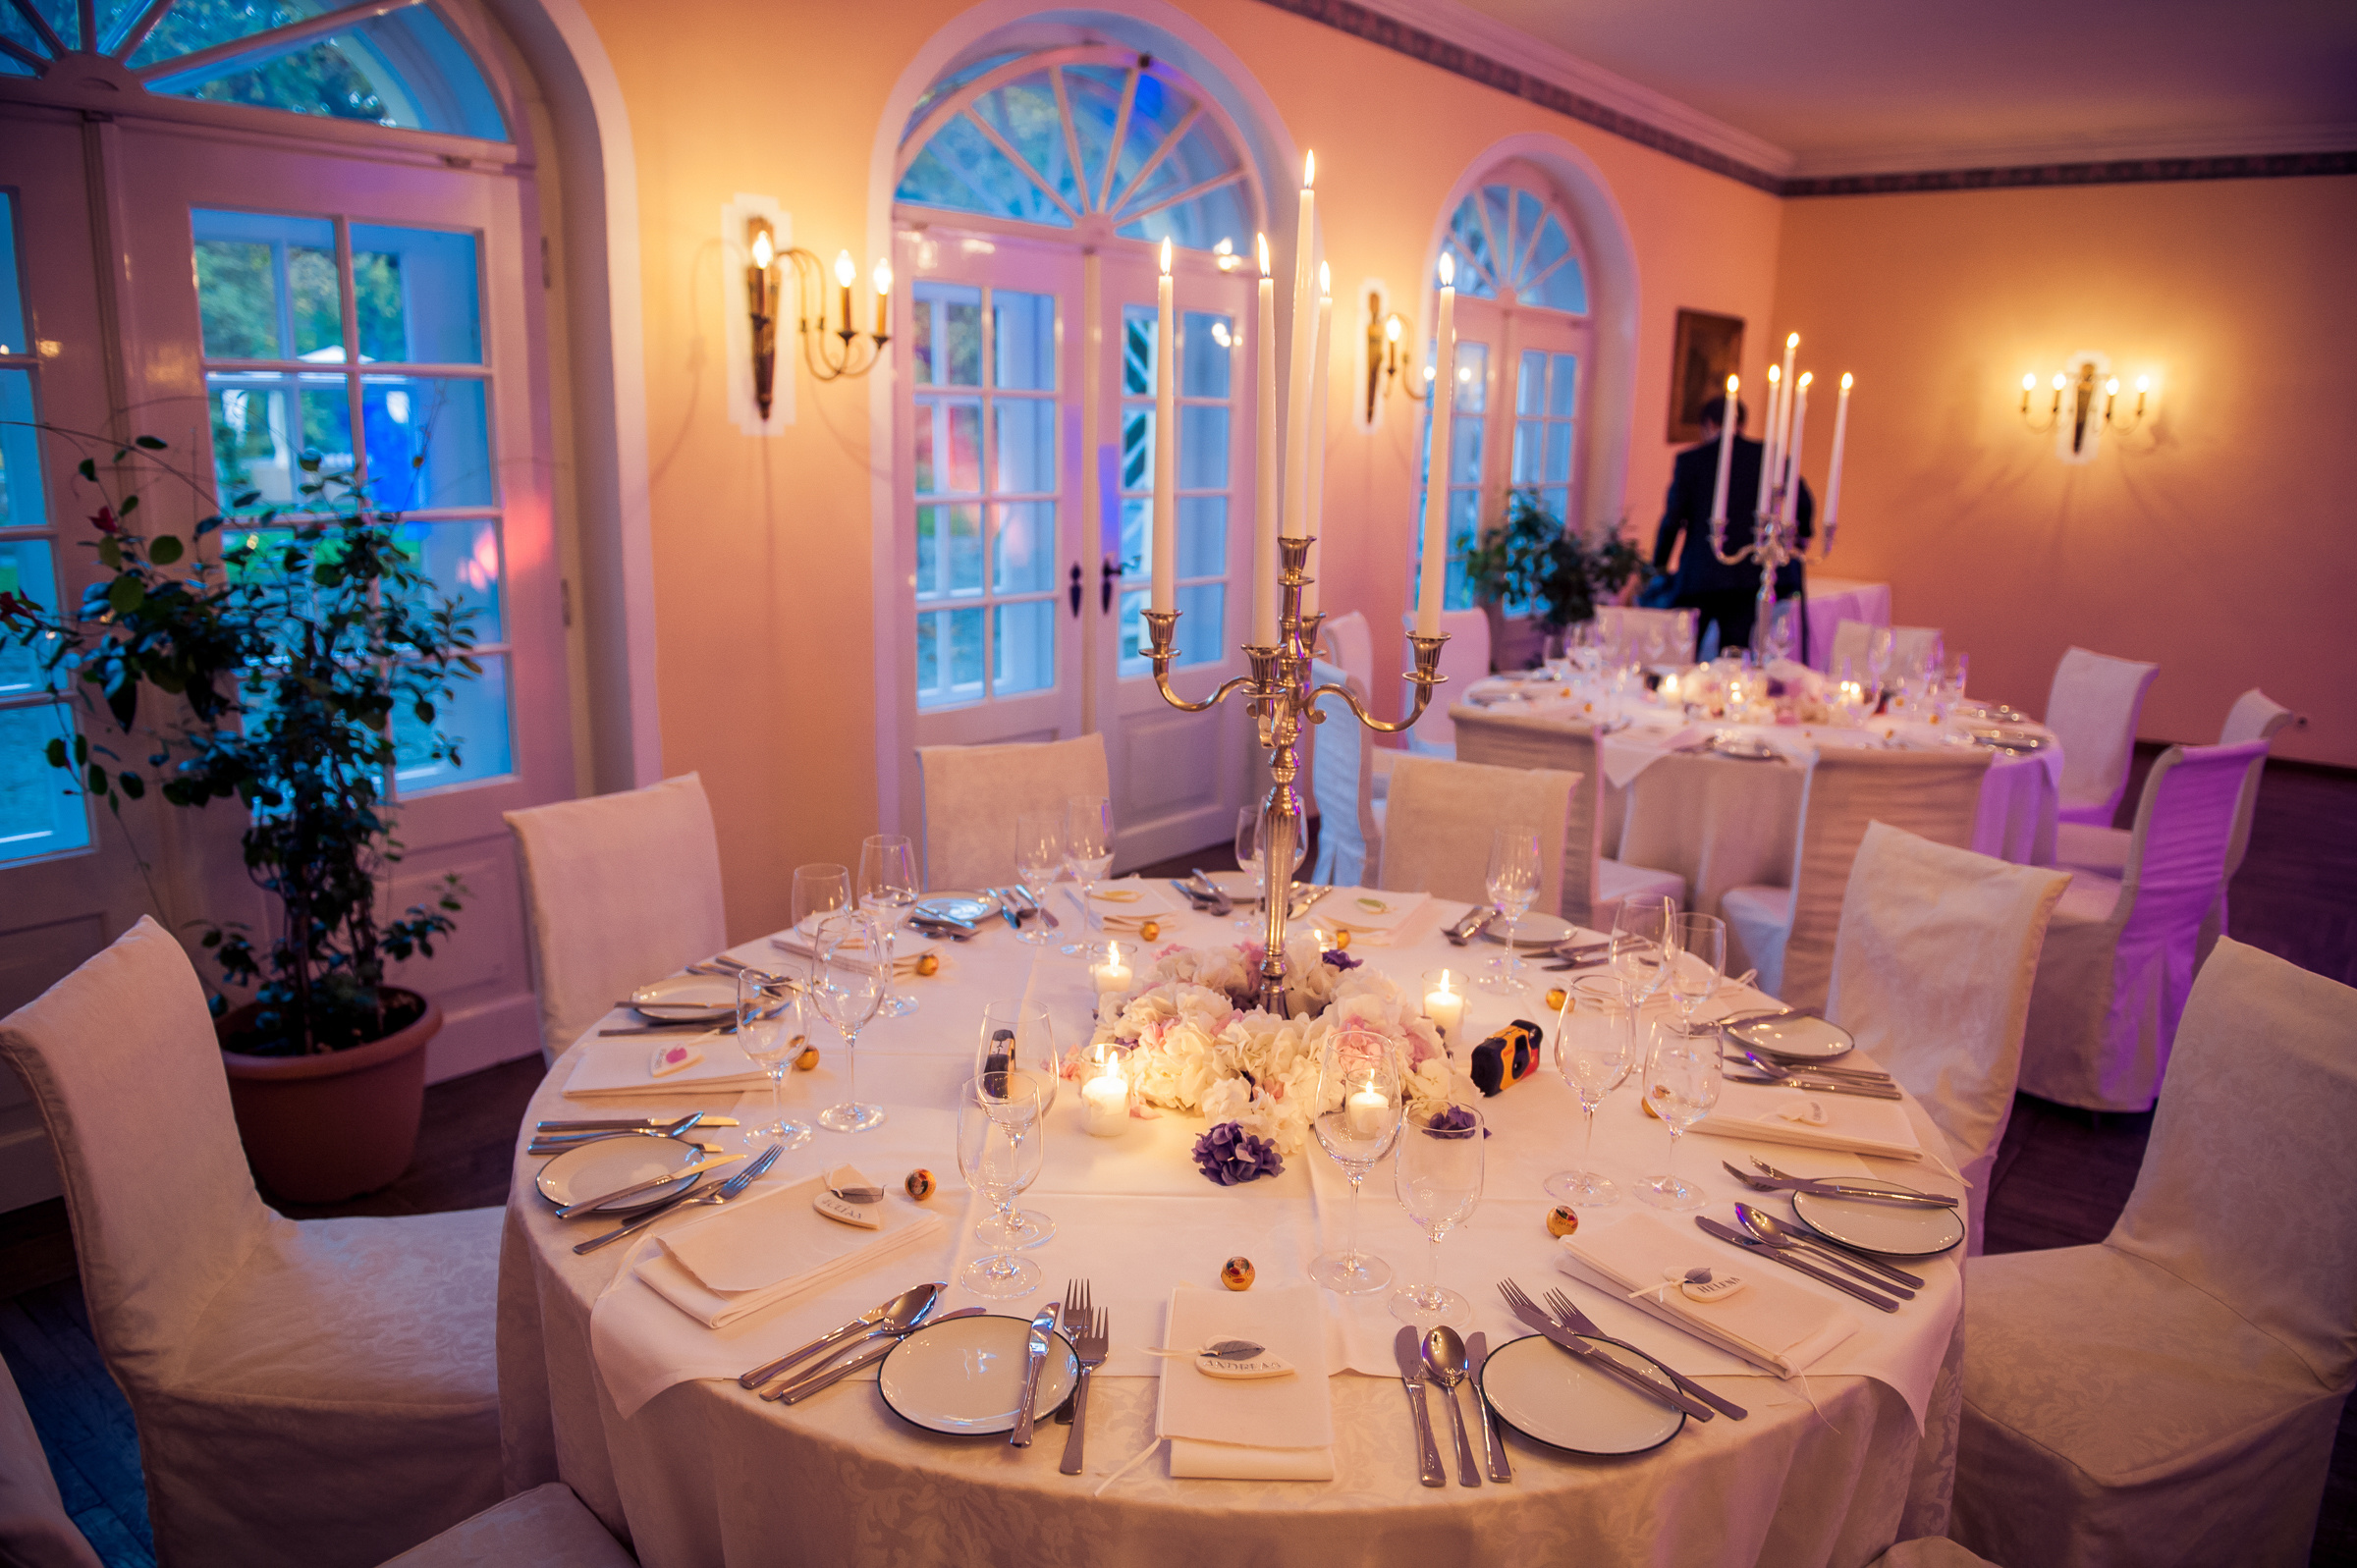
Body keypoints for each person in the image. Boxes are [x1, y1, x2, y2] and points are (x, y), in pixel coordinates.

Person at [1653, 394, 1814, 658]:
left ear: (1708, 424)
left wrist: (1659, 564)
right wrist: (1802, 535)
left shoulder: (1692, 460)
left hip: (1701, 572)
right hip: (1748, 573)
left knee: (1684, 652)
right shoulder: (1766, 455)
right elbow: (1801, 496)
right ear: (1743, 422)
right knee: (1734, 652)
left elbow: (1673, 518)